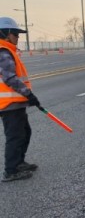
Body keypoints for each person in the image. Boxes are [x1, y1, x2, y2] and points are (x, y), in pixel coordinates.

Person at [0, 17, 41, 182]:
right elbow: (10, 78)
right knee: (15, 136)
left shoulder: (8, 50)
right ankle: (11, 171)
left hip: (16, 103)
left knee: (25, 133)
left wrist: (26, 96)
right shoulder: (3, 52)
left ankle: (19, 162)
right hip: (9, 104)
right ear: (7, 34)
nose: (18, 37)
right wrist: (28, 94)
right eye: (16, 34)